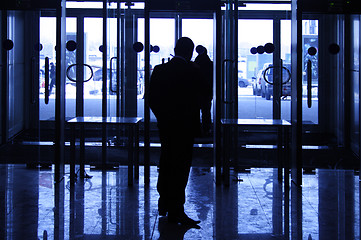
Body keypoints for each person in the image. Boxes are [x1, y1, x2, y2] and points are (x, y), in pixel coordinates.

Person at [149, 37, 202, 226]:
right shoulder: (193, 71)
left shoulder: (160, 70)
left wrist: (163, 117)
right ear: (191, 52)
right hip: (185, 127)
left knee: (166, 161)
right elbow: (200, 100)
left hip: (167, 126)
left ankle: (164, 201)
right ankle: (176, 209)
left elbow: (151, 99)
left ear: (174, 49)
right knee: (181, 167)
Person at [194, 45, 213, 136]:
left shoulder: (196, 62)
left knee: (196, 111)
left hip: (197, 91)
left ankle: (197, 130)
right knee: (206, 111)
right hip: (207, 91)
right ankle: (207, 129)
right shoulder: (210, 63)